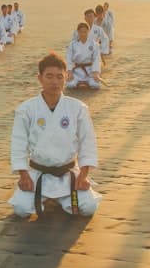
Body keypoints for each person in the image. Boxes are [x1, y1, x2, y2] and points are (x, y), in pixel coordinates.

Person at [9, 53, 102, 218]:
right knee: (21, 210)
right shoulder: (26, 109)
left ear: (66, 77)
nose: (54, 82)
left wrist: (83, 175)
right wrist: (24, 175)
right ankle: (52, 200)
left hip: (68, 174)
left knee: (88, 207)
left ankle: (57, 200)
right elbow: (18, 144)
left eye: (60, 77)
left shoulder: (78, 108)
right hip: (38, 174)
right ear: (40, 78)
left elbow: (87, 143)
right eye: (49, 76)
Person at [66, 22, 102, 89]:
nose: (83, 34)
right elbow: (69, 59)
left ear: (88, 32)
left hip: (89, 70)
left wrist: (96, 73)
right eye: (81, 32)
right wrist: (70, 72)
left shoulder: (94, 44)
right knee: (70, 84)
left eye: (85, 32)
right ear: (78, 32)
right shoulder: (72, 44)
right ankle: (81, 83)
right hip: (76, 71)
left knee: (96, 85)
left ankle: (83, 83)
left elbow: (96, 59)